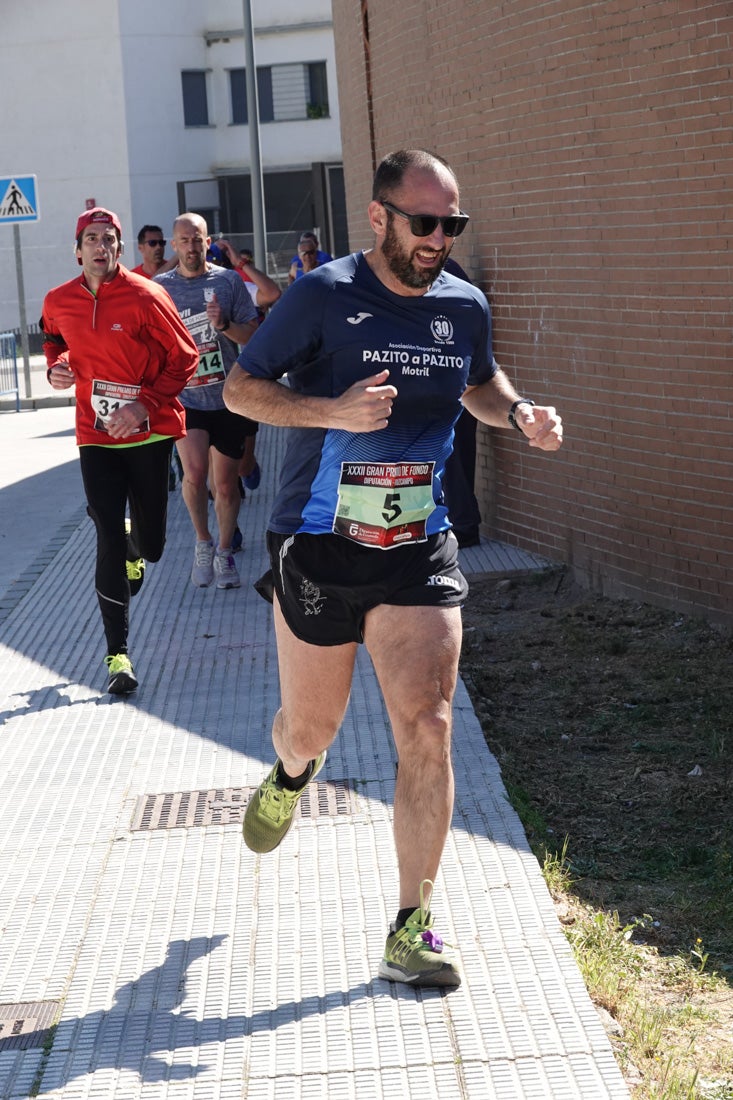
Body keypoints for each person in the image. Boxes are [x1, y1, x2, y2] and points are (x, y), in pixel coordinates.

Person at [222, 148, 563, 988]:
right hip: (319, 544)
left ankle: (411, 924)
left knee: (429, 725)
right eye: (424, 223)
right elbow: (239, 388)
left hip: (417, 546)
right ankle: (291, 772)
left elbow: (476, 383)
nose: (438, 239)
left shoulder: (464, 304)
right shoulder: (322, 295)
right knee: (313, 728)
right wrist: (329, 410)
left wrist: (517, 412)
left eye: (452, 225)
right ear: (378, 218)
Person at [42, 207, 199, 694]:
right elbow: (53, 339)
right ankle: (118, 656)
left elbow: (186, 357)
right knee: (105, 530)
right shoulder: (59, 299)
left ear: (118, 248)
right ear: (78, 248)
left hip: (148, 432)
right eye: (91, 238)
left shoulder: (146, 296)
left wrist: (144, 405)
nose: (100, 246)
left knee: (151, 545)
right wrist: (57, 368)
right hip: (96, 433)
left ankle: (137, 544)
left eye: (108, 239)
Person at [155, 213, 259, 588]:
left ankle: (225, 551)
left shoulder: (228, 281)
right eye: (184, 240)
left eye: (197, 239)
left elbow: (253, 336)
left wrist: (224, 326)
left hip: (227, 396)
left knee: (227, 485)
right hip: (187, 397)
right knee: (195, 474)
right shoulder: (160, 288)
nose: (192, 247)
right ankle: (203, 541)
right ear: (174, 244)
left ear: (208, 241)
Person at [441, 256, 482, 547]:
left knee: (454, 456)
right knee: (459, 455)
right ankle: (463, 523)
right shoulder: (451, 276)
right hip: (460, 382)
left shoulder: (446, 279)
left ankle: (464, 526)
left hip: (453, 384)